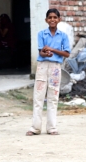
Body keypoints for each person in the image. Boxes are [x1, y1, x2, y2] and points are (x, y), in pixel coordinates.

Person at [26, 8, 70, 136]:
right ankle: (35, 128)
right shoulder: (41, 34)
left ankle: (51, 128)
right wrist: (46, 53)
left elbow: (66, 53)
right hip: (42, 66)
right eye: (50, 18)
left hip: (55, 67)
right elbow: (41, 51)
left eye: (55, 17)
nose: (52, 20)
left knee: (53, 96)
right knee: (38, 96)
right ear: (46, 20)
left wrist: (52, 49)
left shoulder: (63, 36)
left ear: (59, 20)